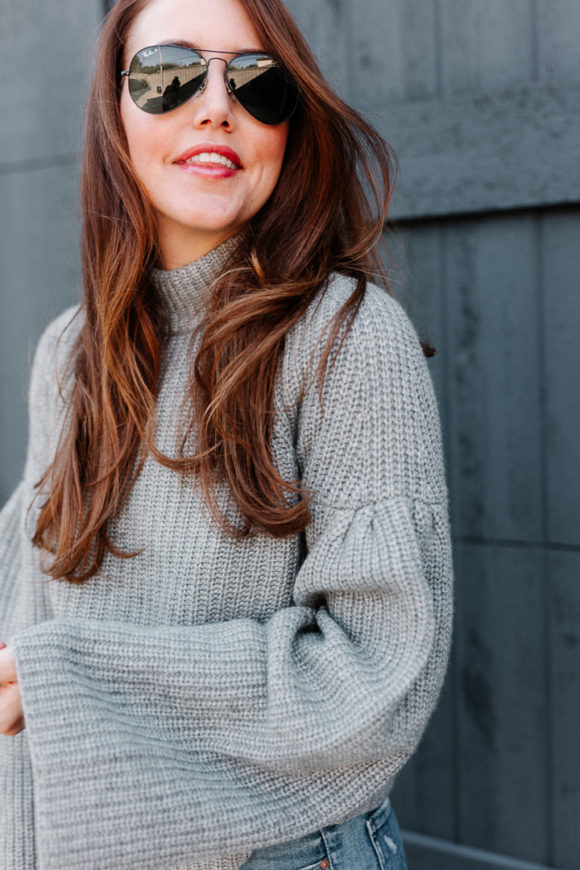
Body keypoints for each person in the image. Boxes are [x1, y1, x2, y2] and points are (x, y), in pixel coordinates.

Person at [0, 0, 453, 867]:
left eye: (256, 80)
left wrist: (77, 683)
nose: (216, 105)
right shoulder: (69, 351)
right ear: (114, 111)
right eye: (168, 74)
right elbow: (29, 606)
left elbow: (380, 675)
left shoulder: (347, 337)